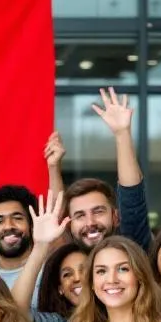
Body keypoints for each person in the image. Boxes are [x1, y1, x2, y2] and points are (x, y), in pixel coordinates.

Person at [66, 88, 153, 252]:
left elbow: (132, 200)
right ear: (69, 225)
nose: (90, 222)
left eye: (98, 211)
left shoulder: (131, 252)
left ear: (115, 217)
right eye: (80, 215)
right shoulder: (65, 266)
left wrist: (122, 134)